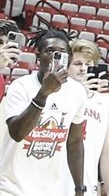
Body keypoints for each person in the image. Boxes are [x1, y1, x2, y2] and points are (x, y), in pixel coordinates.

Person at [0, 29, 86, 196]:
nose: (56, 56)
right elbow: (17, 133)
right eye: (50, 51)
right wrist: (44, 93)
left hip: (50, 189)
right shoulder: (21, 86)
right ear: (39, 57)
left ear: (69, 57)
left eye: (61, 53)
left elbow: (75, 142)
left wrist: (79, 187)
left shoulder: (77, 92)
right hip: (10, 187)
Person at [68, 40, 109, 196]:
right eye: (77, 63)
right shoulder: (58, 94)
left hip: (87, 184)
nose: (83, 69)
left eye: (88, 64)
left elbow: (108, 150)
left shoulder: (103, 102)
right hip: (55, 181)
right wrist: (78, 93)